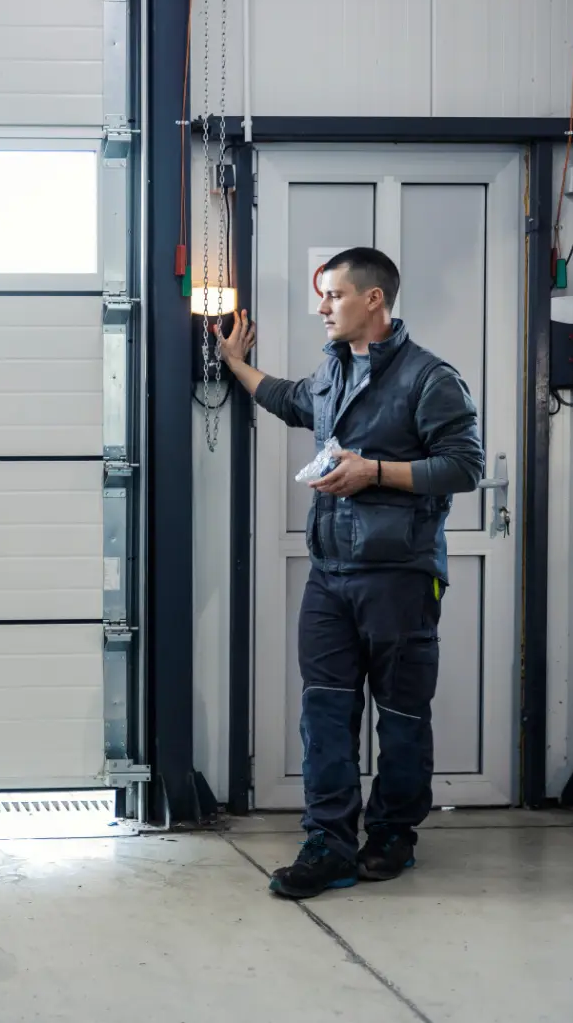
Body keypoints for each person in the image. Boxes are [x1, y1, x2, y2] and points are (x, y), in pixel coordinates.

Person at [214, 246, 485, 900]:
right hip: (330, 576)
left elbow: (465, 466)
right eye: (322, 296)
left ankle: (393, 834)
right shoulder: (332, 371)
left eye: (334, 295)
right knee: (325, 713)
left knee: (400, 715)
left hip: (400, 577)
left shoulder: (430, 379)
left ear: (373, 300)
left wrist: (375, 471)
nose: (323, 307)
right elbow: (290, 399)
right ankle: (329, 843)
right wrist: (235, 365)